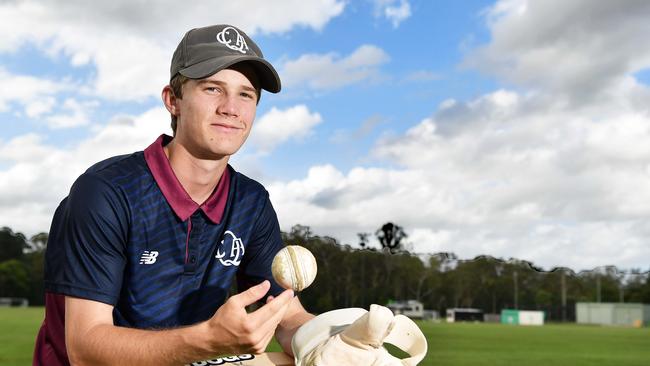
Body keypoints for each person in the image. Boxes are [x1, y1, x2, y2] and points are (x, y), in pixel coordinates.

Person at [33, 24, 314, 365]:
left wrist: (333, 338)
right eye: (213, 89)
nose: (230, 107)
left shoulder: (251, 203)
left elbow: (288, 317)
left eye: (246, 94)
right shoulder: (107, 191)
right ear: (173, 100)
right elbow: (85, 349)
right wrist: (208, 340)